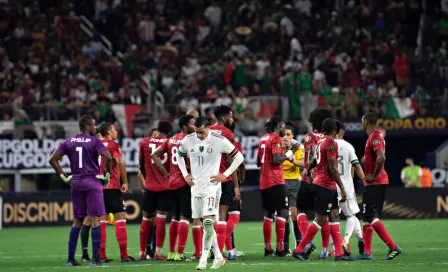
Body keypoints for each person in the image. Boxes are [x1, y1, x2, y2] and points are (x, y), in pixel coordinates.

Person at [176, 116, 244, 270]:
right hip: (196, 187)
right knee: (205, 225)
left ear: (208, 127)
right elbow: (179, 156)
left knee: (207, 223)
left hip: (212, 187)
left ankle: (203, 260)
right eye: (196, 132)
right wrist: (185, 174)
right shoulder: (188, 139)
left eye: (201, 132)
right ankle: (219, 256)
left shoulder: (219, 140)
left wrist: (225, 174)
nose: (198, 135)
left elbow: (239, 157)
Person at [48, 115, 112, 266]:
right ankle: (95, 259)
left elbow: (53, 159)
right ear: (87, 126)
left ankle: (70, 259)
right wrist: (107, 176)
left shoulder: (69, 141)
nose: (95, 128)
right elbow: (108, 157)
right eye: (94, 125)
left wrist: (64, 176)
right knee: (96, 219)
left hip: (76, 182)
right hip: (92, 181)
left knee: (77, 220)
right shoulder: (94, 141)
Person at [292, 118, 355, 262]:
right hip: (324, 186)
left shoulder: (320, 142)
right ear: (336, 130)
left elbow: (313, 160)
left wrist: (309, 170)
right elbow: (333, 168)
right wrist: (342, 187)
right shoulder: (331, 144)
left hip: (324, 184)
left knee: (334, 215)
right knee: (320, 219)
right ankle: (299, 249)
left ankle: (339, 253)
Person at [151, 115, 197, 261]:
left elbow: (154, 155)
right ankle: (180, 253)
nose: (195, 126)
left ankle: (171, 252)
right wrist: (191, 173)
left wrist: (165, 173)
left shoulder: (171, 140)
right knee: (185, 216)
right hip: (184, 182)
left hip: (172, 182)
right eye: (192, 124)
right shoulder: (189, 140)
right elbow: (190, 157)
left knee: (175, 217)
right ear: (184, 126)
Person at [358, 112, 402, 260]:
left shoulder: (376, 136)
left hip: (376, 182)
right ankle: (367, 253)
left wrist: (374, 176)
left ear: (366, 121)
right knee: (366, 216)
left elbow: (381, 157)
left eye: (362, 120)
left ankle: (393, 247)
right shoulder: (371, 137)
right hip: (372, 182)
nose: (361, 123)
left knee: (370, 215)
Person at [296, 108, 334, 259]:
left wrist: (310, 177)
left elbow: (311, 157)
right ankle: (325, 251)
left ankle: (307, 242)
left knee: (301, 211)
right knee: (321, 215)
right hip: (325, 181)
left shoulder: (309, 137)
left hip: (309, 179)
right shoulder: (329, 139)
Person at [138, 121, 173, 260]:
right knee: (160, 220)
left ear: (157, 129)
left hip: (149, 186)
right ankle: (158, 252)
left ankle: (141, 252)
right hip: (165, 186)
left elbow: (141, 163)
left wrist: (147, 178)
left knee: (146, 219)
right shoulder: (170, 142)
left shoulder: (144, 141)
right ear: (169, 132)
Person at [209, 105, 241, 255]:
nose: (231, 119)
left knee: (208, 218)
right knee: (222, 217)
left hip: (206, 181)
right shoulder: (228, 134)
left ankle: (207, 251)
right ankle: (219, 254)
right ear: (223, 118)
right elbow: (230, 161)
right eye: (230, 116)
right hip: (223, 179)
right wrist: (236, 185)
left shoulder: (205, 131)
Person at [257, 116, 290, 257]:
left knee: (268, 213)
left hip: (264, 181)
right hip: (275, 181)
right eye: (283, 126)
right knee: (282, 211)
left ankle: (267, 248)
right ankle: (280, 248)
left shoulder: (263, 139)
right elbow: (277, 160)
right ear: (278, 126)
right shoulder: (276, 139)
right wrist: (288, 154)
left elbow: (259, 162)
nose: (284, 129)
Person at [334, 121, 365, 256]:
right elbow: (356, 165)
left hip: (330, 185)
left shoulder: (326, 145)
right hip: (346, 185)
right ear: (343, 131)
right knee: (351, 216)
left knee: (331, 219)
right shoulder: (348, 146)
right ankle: (347, 241)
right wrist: (364, 181)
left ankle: (332, 248)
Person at [282, 123, 305, 254]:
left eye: (288, 134)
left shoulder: (297, 148)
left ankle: (299, 244)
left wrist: (291, 160)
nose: (285, 137)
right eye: (283, 134)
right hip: (280, 181)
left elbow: (302, 163)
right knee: (283, 215)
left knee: (294, 213)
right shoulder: (276, 147)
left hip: (294, 182)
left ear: (292, 136)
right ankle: (284, 247)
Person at [225, 122, 246, 260]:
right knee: (234, 215)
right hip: (228, 183)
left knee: (220, 219)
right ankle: (220, 246)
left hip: (212, 183)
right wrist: (238, 183)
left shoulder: (211, 142)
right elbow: (238, 165)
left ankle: (230, 250)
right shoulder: (234, 145)